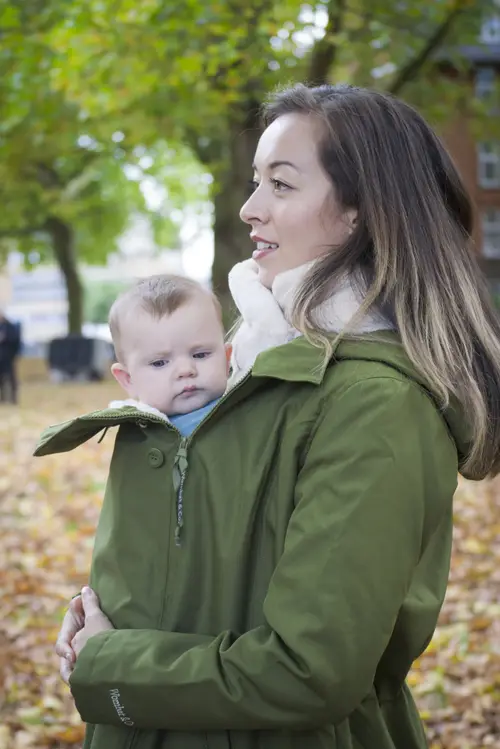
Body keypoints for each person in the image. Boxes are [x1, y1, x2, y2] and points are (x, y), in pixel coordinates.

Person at [42, 83, 500, 749]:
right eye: (255, 181)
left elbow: (310, 670)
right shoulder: (252, 357)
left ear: (357, 213)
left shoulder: (375, 403)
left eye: (281, 185)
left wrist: (113, 663)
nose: (251, 208)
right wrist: (98, 621)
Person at [0, 310, 21, 404]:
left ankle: (13, 398)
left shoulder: (10, 327)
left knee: (11, 379)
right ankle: (2, 398)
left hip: (7, 357)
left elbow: (15, 341)